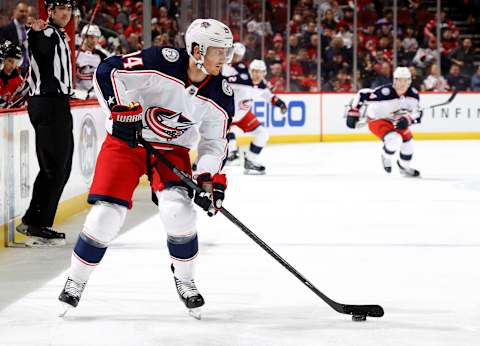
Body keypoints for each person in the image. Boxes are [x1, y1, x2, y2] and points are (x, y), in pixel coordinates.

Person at [58, 18, 235, 320]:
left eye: (226, 51)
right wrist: (121, 111)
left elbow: (215, 142)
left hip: (172, 149)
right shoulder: (159, 61)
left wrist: (208, 179)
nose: (224, 57)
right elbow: (108, 70)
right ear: (196, 49)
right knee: (106, 215)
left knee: (178, 211)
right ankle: (76, 279)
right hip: (126, 142)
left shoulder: (221, 93)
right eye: (218, 51)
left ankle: (185, 277)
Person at [15, 0, 75, 247]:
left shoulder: (59, 35)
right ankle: (34, 222)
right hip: (48, 104)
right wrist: (35, 31)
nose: (66, 13)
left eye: (69, 9)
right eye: (61, 8)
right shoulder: (46, 33)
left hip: (57, 104)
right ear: (50, 11)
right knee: (53, 166)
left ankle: (38, 221)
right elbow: (36, 46)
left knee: (62, 166)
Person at [346, 67, 421, 177]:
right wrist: (353, 111)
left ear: (409, 81)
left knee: (409, 144)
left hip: (396, 121)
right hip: (377, 121)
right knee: (394, 140)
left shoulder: (413, 95)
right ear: (395, 80)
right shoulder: (384, 92)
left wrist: (407, 120)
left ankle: (404, 167)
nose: (402, 84)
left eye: (405, 80)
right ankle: (386, 157)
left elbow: (417, 114)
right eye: (400, 80)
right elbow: (362, 94)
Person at [226, 59, 287, 174]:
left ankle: (250, 161)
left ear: (264, 73)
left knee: (262, 134)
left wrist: (281, 104)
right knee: (219, 137)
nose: (257, 74)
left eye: (260, 72)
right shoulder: (240, 79)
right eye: (254, 71)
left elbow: (269, 97)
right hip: (227, 115)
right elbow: (220, 82)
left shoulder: (262, 85)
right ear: (250, 71)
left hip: (244, 115)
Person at [76, 24, 108, 99]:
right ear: (84, 37)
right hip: (79, 94)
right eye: (91, 37)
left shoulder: (101, 55)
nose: (94, 40)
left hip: (95, 95)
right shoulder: (74, 53)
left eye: (96, 38)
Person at [0, 1, 30, 75]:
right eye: (21, 11)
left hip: (29, 72)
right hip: (11, 72)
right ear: (15, 11)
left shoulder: (30, 30)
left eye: (26, 11)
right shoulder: (5, 30)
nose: (24, 14)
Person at [0, 40, 27, 108]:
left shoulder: (20, 81)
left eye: (16, 62)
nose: (13, 66)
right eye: (10, 61)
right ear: (3, 60)